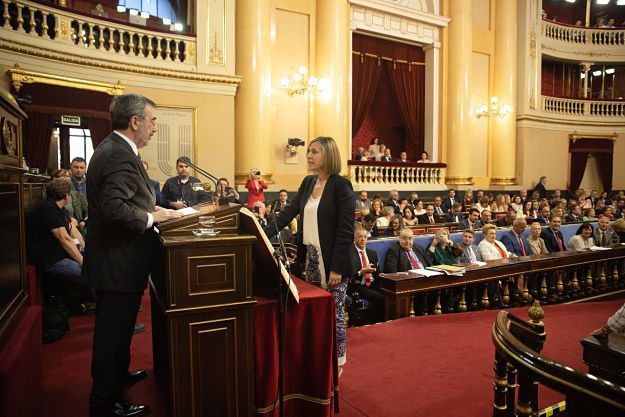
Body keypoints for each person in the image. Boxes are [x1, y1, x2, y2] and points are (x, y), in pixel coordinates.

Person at [83, 94, 182, 417]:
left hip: (119, 261)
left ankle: (117, 377)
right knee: (112, 334)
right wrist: (154, 218)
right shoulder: (117, 155)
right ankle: (105, 402)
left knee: (120, 330)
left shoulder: (116, 149)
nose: (155, 128)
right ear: (135, 121)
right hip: (117, 262)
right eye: (152, 121)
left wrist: (155, 209)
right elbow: (113, 208)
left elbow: (125, 200)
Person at [262, 136, 354, 375]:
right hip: (311, 259)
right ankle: (318, 360)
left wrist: (336, 268)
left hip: (335, 261)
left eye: (314, 152)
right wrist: (261, 232)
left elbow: (346, 231)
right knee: (315, 313)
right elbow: (287, 214)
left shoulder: (341, 186)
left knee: (335, 314)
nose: (309, 156)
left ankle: (338, 365)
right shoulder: (307, 182)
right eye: (309, 152)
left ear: (328, 155)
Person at [26, 178, 91, 314]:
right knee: (92, 274)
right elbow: (64, 239)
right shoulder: (47, 208)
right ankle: (109, 312)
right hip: (49, 260)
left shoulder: (58, 208)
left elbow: (73, 230)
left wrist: (86, 251)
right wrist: (84, 263)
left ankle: (78, 306)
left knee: (95, 267)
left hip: (59, 255)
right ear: (67, 195)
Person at [346, 225, 385, 323]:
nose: (363, 239)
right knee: (380, 298)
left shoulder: (372, 253)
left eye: (365, 237)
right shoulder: (349, 253)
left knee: (391, 293)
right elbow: (348, 275)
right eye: (360, 237)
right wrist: (362, 271)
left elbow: (378, 273)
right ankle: (377, 323)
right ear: (354, 238)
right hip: (359, 285)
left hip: (373, 283)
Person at [50, 168, 88, 236]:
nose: (68, 178)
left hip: (78, 229)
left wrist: (84, 221)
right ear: (55, 179)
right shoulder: (49, 194)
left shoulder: (77, 195)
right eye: (64, 176)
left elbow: (89, 211)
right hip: (59, 229)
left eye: (68, 176)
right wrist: (68, 220)